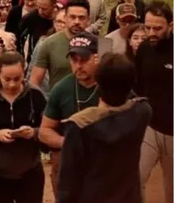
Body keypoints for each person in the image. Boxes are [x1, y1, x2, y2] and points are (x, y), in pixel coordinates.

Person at [56, 53, 152, 203]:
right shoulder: (142, 112)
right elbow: (130, 95)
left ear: (99, 85)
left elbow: (68, 180)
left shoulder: (80, 125)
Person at [0, 51, 46, 203]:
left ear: (24, 72)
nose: (12, 84)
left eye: (17, 79)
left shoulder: (36, 96)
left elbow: (48, 130)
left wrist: (34, 133)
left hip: (29, 172)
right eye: (7, 79)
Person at [37, 31, 100, 192]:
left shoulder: (111, 84)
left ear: (96, 58)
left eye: (84, 60)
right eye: (74, 60)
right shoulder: (62, 88)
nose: (78, 66)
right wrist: (67, 143)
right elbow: (44, 131)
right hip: (72, 160)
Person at [136, 2, 173, 202]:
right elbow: (139, 86)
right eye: (147, 27)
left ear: (171, 25)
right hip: (149, 127)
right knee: (134, 178)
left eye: (157, 28)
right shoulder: (144, 48)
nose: (151, 33)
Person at [30, 0, 91, 91]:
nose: (77, 22)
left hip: (90, 102)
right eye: (72, 17)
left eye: (81, 17)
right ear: (65, 18)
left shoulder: (101, 44)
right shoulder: (48, 44)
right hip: (58, 102)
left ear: (88, 19)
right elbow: (34, 83)